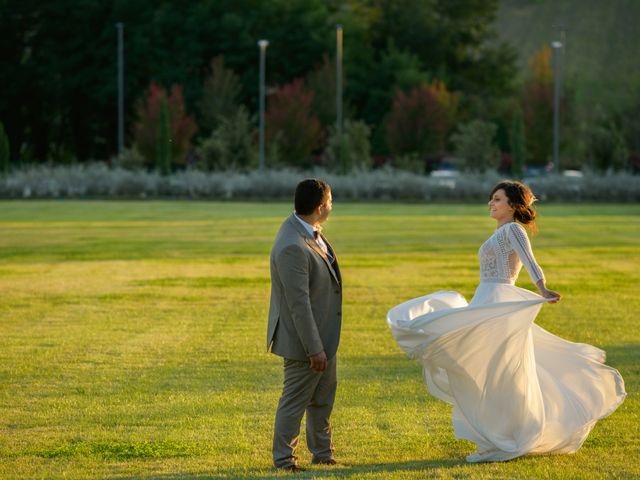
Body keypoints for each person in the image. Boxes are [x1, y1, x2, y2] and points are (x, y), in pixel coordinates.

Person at [387, 180, 626, 463]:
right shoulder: (500, 230)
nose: (491, 203)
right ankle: (495, 432)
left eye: (497, 199)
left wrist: (542, 288)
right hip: (486, 298)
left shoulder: (513, 229)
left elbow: (529, 260)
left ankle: (513, 432)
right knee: (483, 369)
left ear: (513, 206)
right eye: (491, 198)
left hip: (498, 301)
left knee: (497, 370)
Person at [267, 178, 342, 472]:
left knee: (322, 398)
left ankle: (323, 453)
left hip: (324, 335)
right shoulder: (292, 246)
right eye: (331, 201)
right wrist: (314, 349)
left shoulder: (308, 231)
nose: (332, 206)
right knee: (295, 400)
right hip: (305, 341)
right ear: (321, 206)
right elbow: (299, 305)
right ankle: (284, 460)